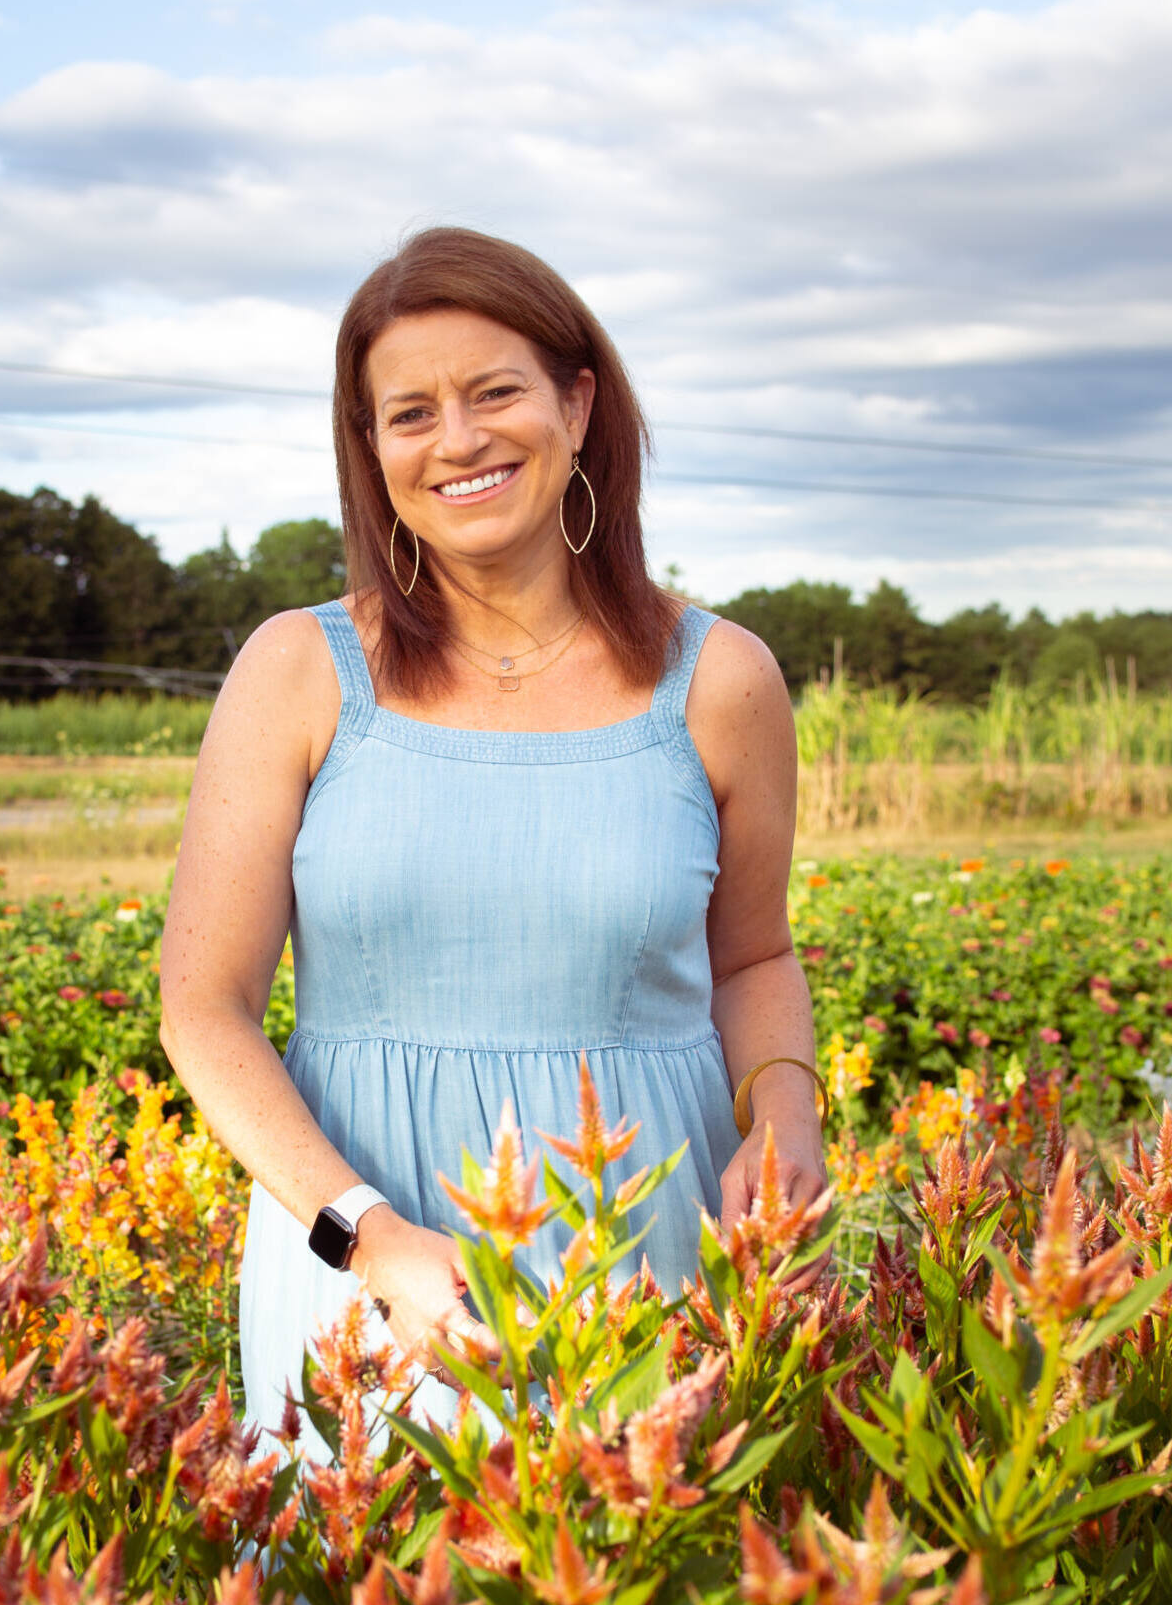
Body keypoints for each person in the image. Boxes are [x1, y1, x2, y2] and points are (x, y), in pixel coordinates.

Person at [158, 226, 828, 1463]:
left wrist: (786, 1114)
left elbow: (754, 959)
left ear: (577, 403)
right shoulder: (299, 668)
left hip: (652, 1237)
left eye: (495, 391)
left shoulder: (722, 679)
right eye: (408, 411)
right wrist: (364, 1232)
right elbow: (202, 1005)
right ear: (372, 450)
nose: (457, 439)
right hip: (372, 1254)